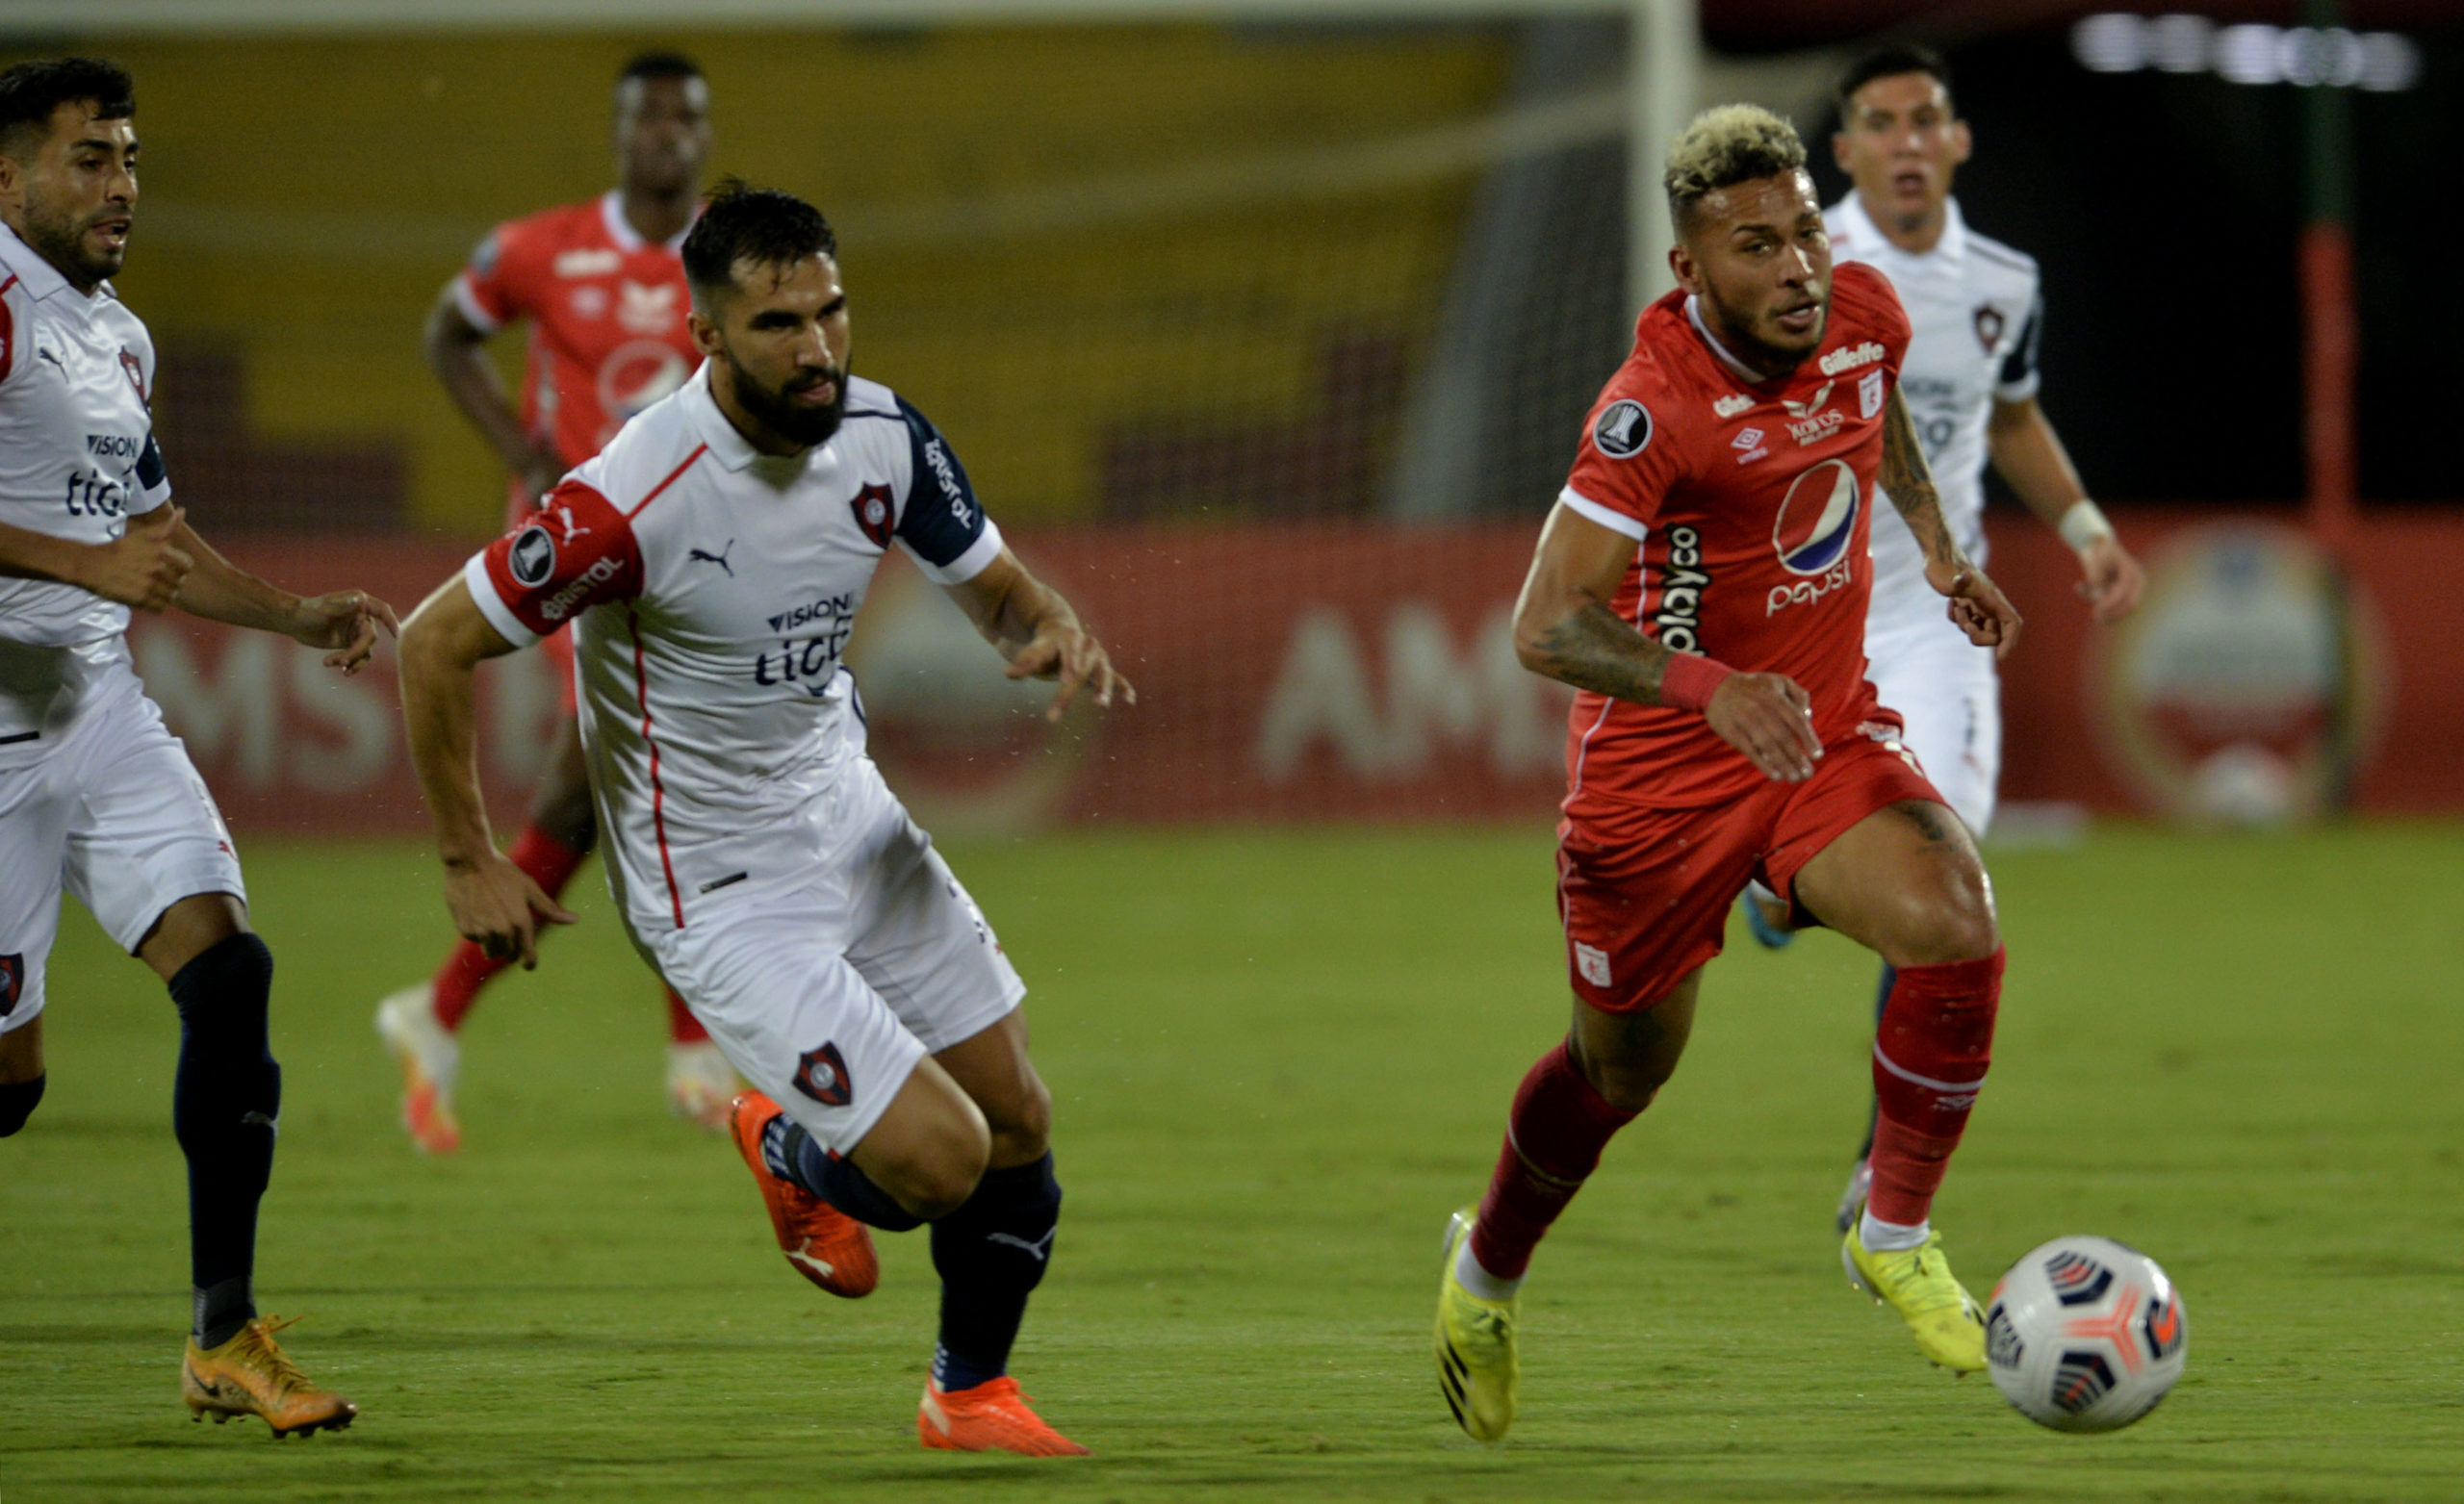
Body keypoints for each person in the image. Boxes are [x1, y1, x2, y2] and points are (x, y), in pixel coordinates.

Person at [396, 183, 1131, 1455]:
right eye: (781, 323)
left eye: (832, 312)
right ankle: (785, 1143)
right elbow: (432, 641)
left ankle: (967, 1393)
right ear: (709, 338)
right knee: (942, 1162)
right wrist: (468, 856)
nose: (819, 348)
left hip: (849, 815)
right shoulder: (633, 494)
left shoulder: (887, 436)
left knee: (1019, 1116)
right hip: (717, 884)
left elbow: (1003, 596)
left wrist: (1049, 625)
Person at [1431, 105, 2025, 1443]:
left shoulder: (1863, 313)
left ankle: (1894, 1226)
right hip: (1658, 783)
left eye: (1807, 228)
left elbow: (1871, 419)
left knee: (1954, 913)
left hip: (1816, 734)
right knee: (1619, 1072)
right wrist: (1710, 683)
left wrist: (1936, 549)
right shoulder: (1653, 411)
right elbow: (1544, 623)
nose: (1800, 265)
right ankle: (1485, 1275)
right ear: (1690, 267)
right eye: (1756, 245)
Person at [0, 57, 394, 1436]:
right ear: (8, 176)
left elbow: (152, 546)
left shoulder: (120, 337)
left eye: (129, 158)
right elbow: (104, 556)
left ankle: (224, 1334)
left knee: (231, 974)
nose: (119, 185)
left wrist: (293, 614)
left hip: (93, 706)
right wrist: (74, 560)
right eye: (88, 159)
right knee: (11, 1093)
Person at [1734, 45, 2144, 1235]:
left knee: (1945, 860)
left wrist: (2084, 527)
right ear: (1846, 151)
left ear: (1958, 140)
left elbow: (2009, 414)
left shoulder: (2002, 282)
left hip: (1935, 618)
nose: (1907, 140)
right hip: (1804, 612)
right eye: (1880, 122)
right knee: (1824, 858)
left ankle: (1879, 1176)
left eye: (1926, 119)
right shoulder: (1798, 271)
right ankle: (1780, 893)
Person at [373, 51, 732, 1155]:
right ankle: (692, 1050)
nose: (666, 133)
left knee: (588, 804)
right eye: (648, 116)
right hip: (574, 553)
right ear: (621, 131)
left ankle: (431, 1016)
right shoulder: (543, 247)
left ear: (702, 136)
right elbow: (447, 331)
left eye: (685, 118)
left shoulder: (727, 252)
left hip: (692, 552)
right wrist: (520, 449)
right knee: (641, 772)